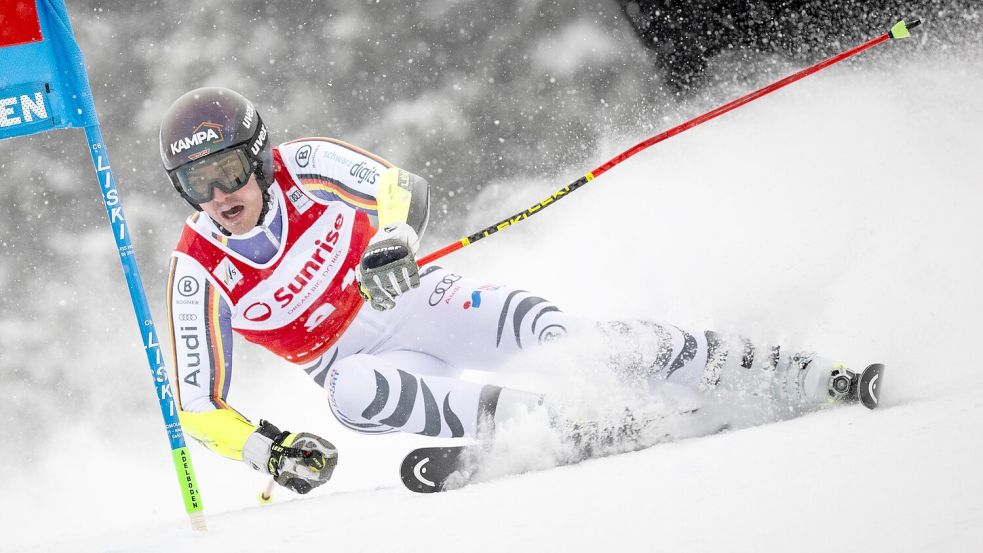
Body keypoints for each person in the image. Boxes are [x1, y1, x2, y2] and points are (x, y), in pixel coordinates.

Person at [161, 87, 860, 495]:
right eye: (198, 183)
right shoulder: (198, 268)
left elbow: (399, 187)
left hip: (414, 303)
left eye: (227, 170)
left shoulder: (302, 164)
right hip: (359, 364)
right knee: (350, 393)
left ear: (256, 156)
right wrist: (269, 452)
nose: (220, 195)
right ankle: (546, 421)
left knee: (567, 338)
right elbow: (196, 406)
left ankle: (763, 366)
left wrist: (396, 239)